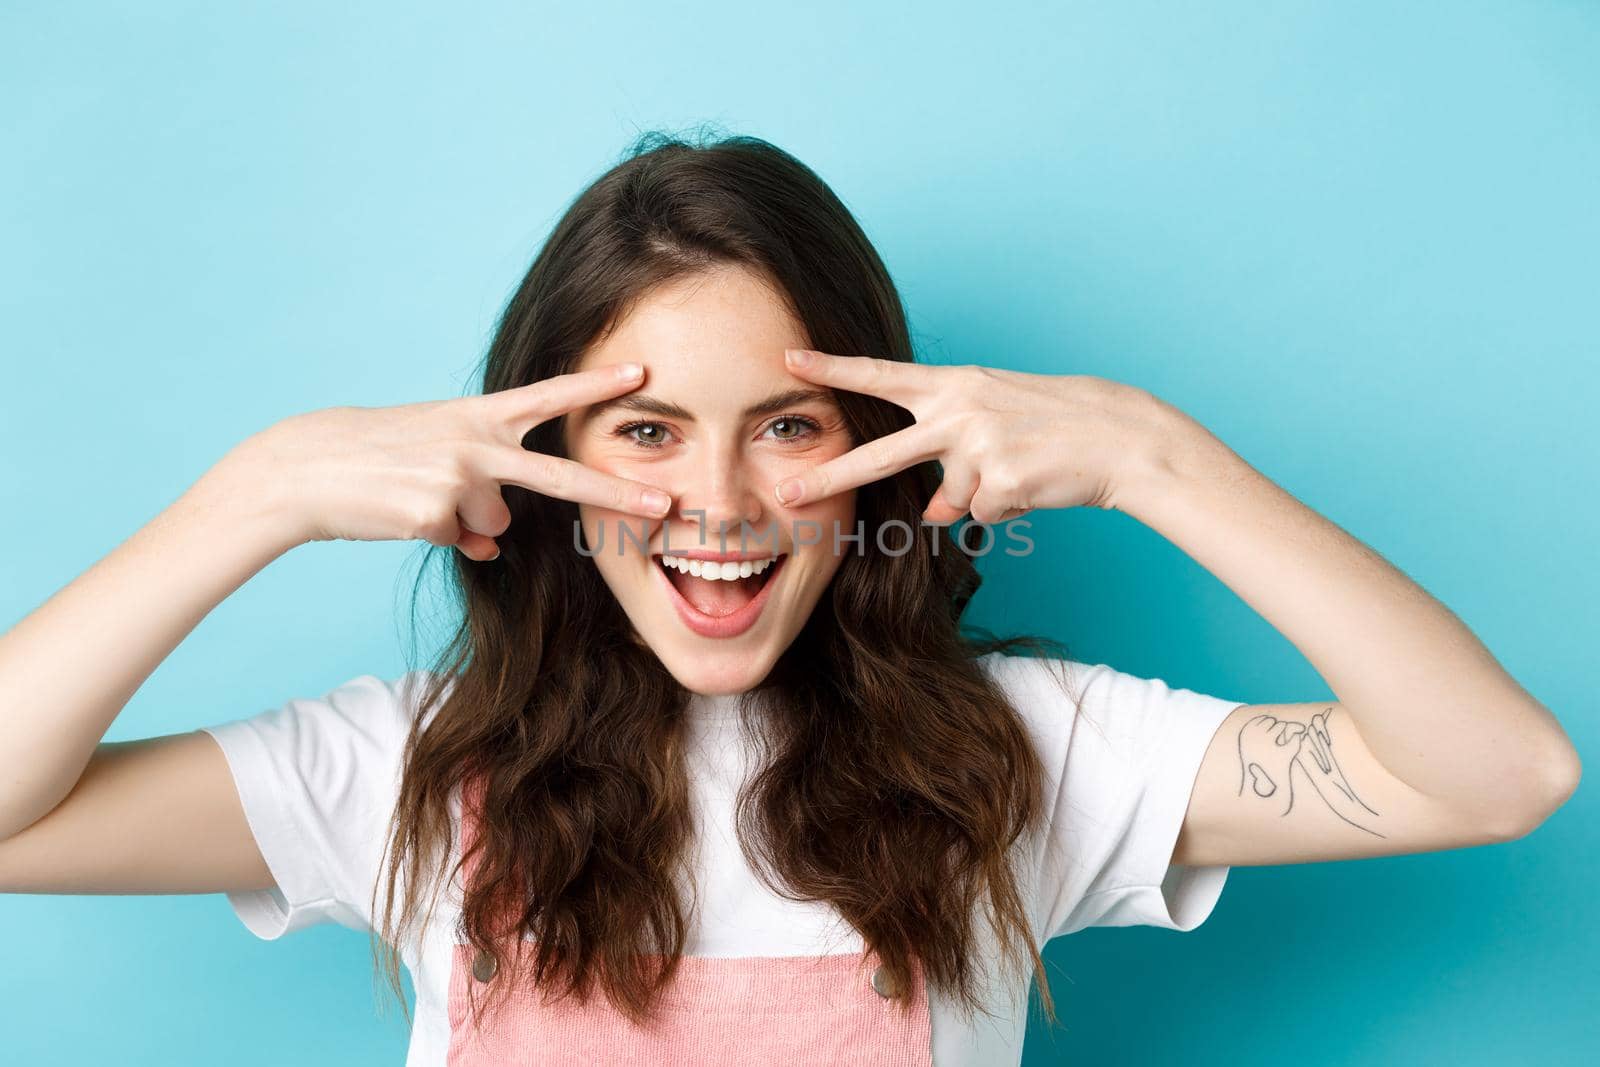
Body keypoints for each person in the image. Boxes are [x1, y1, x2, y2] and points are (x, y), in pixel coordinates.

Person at [0, 132, 1580, 1067]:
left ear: (875, 457)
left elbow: (1500, 772)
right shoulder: (410, 771)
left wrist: (1156, 456)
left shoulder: (1025, 761)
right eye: (644, 433)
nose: (721, 507)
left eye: (786, 428)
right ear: (545, 463)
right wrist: (257, 493)